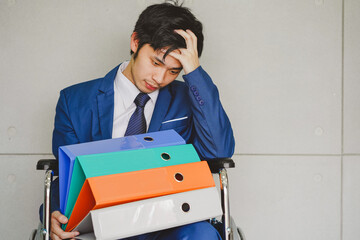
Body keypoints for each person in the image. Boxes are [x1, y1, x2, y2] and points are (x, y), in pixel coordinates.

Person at [42, 1, 235, 239]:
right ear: (135, 42)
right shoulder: (75, 100)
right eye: (156, 62)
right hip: (102, 221)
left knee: (202, 234)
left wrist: (194, 72)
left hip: (170, 221)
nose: (160, 78)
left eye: (174, 71)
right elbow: (66, 175)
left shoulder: (188, 97)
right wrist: (52, 214)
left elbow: (218, 151)